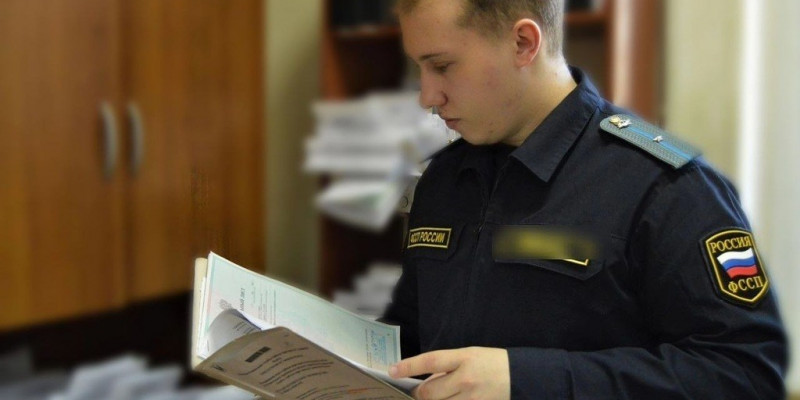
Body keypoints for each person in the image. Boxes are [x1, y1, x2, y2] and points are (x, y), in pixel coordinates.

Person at [381, 0, 789, 399]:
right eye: (419, 68)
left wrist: (527, 380)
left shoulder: (665, 185)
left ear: (523, 43)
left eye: (442, 66)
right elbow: (412, 338)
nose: (427, 96)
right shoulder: (445, 178)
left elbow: (745, 374)